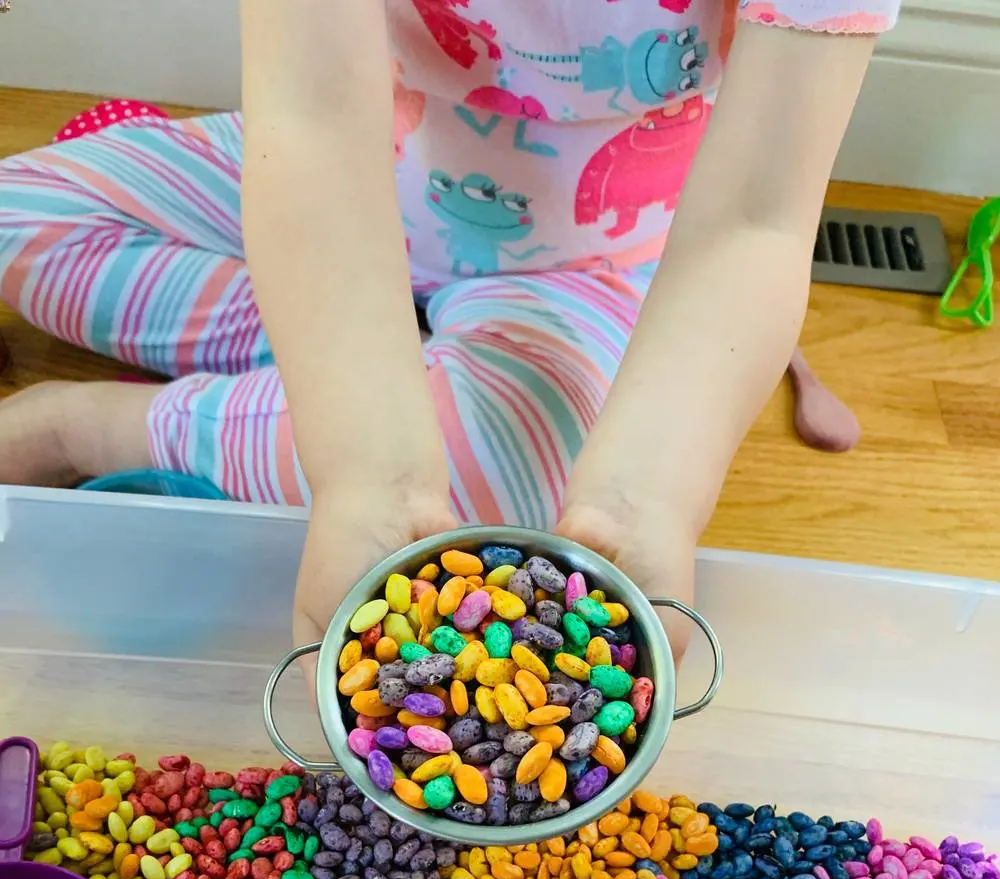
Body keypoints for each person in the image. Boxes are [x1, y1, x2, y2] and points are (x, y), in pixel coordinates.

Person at [0, 0, 899, 659]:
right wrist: (362, 459)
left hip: (588, 269)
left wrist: (647, 500)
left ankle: (84, 422)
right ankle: (353, 362)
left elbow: (755, 221)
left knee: (485, 504)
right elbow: (310, 123)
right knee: (18, 215)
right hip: (356, 180)